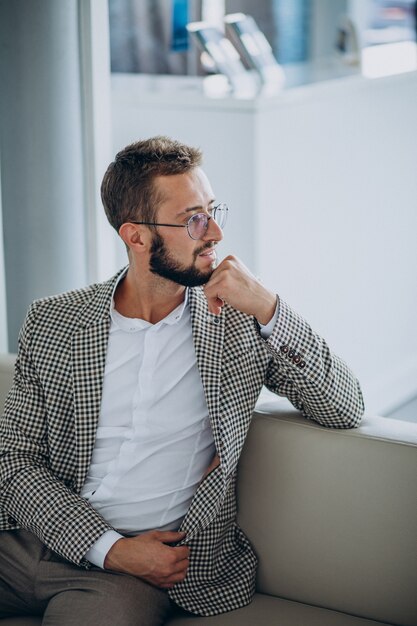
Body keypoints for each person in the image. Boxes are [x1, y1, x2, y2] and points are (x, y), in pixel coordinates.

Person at [0, 136, 364, 625]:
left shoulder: (238, 324)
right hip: (22, 542)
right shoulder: (56, 321)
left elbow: (345, 406)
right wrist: (106, 546)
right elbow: (14, 460)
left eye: (213, 211)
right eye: (193, 218)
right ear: (136, 236)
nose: (213, 231)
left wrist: (270, 308)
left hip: (136, 575)